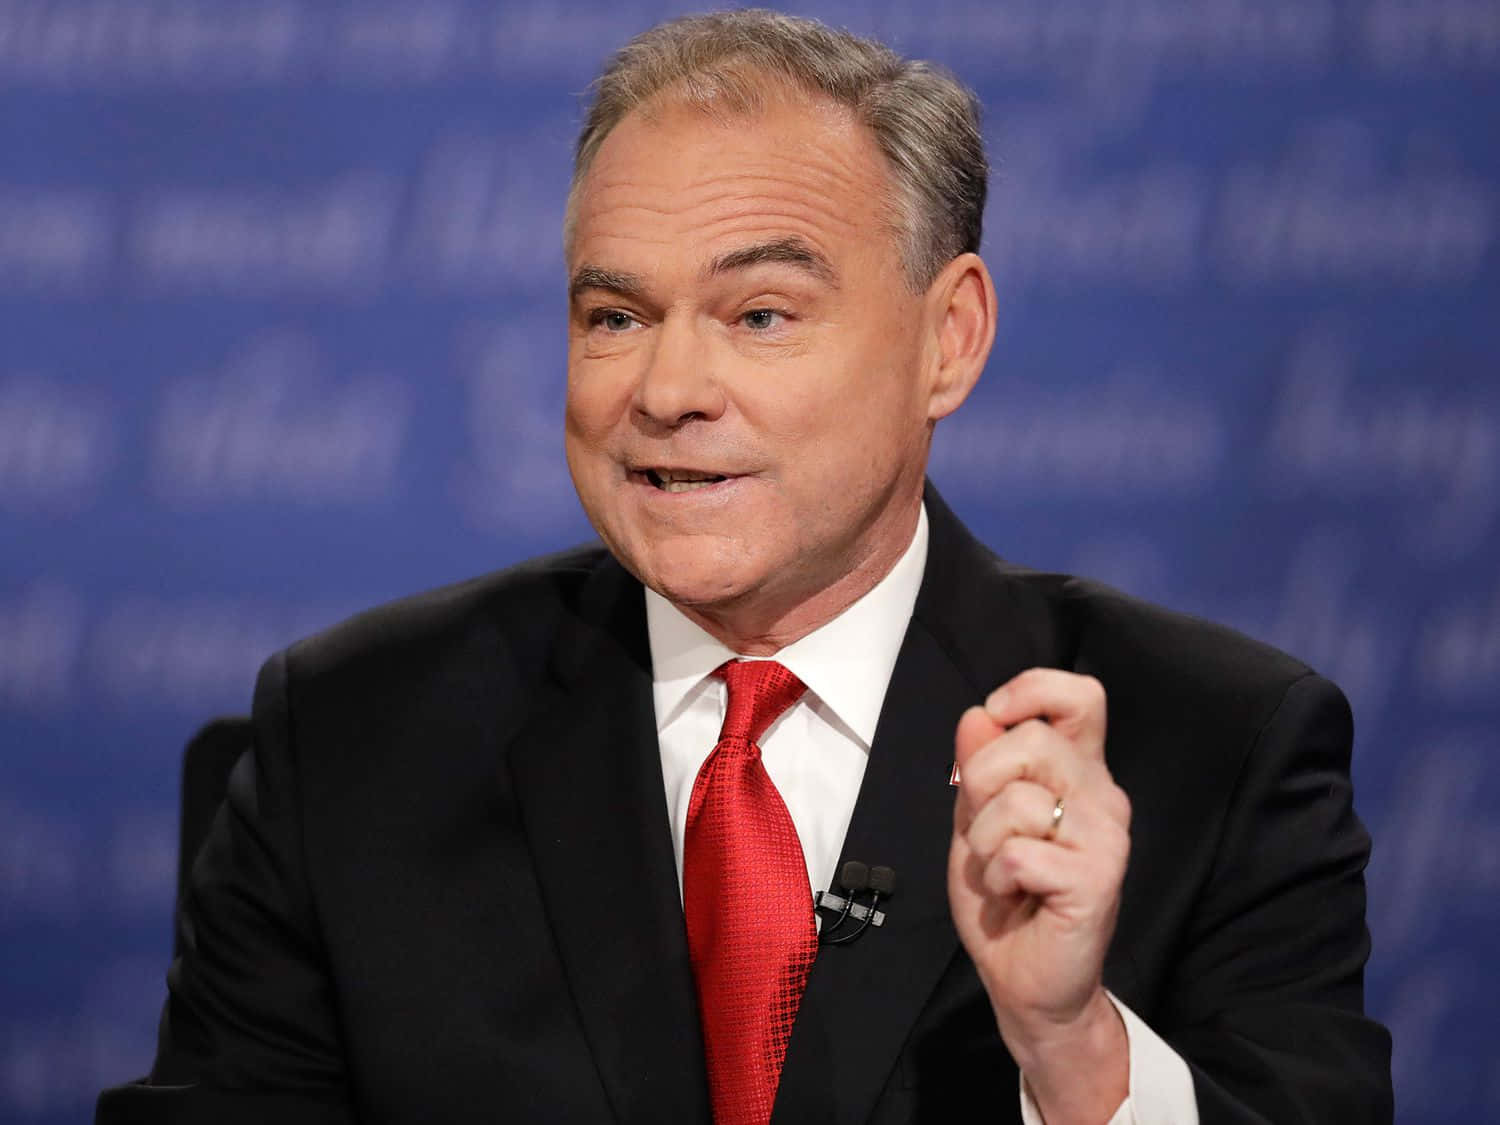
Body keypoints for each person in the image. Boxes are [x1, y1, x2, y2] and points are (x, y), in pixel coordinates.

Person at [98, 10, 1392, 1124]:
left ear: (951, 338)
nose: (665, 389)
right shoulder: (350, 745)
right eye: (615, 317)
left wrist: (1074, 1050)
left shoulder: (1214, 754)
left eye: (759, 314)